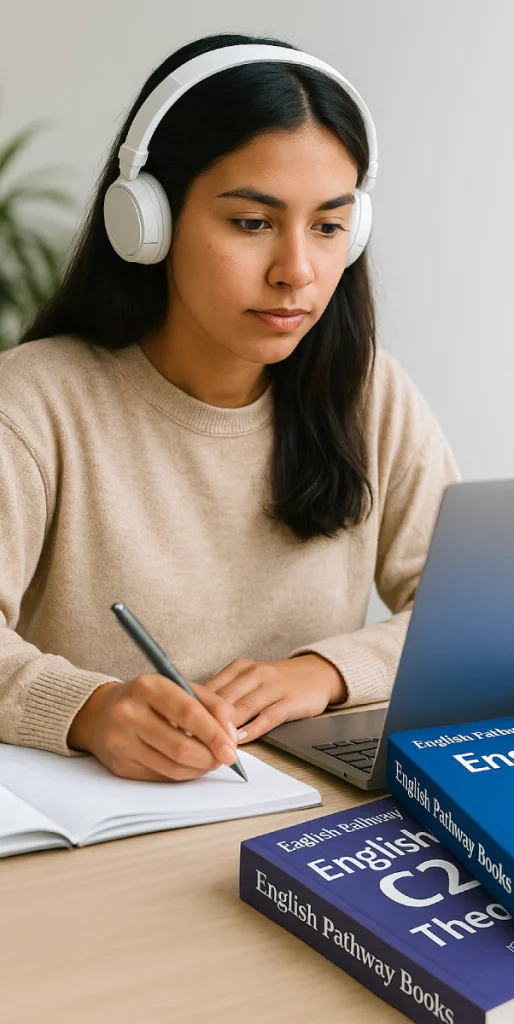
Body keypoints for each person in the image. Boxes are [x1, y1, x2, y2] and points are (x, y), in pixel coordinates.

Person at [0, 31, 459, 783]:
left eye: (328, 226)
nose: (297, 271)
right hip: (109, 821)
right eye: (252, 223)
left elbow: (471, 620)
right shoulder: (33, 404)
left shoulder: (365, 389)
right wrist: (88, 709)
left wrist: (327, 671)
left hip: (303, 809)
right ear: (145, 222)